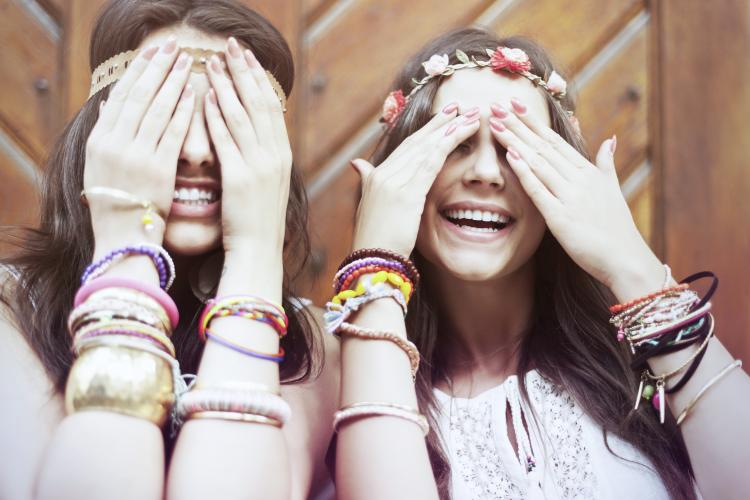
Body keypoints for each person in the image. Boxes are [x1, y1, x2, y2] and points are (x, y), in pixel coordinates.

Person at [330, 27, 750, 499]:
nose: (486, 174)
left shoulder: (643, 372)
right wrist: (373, 272)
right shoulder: (335, 376)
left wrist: (630, 264)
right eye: (455, 143)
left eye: (516, 147)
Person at [0, 1, 337, 499]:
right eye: (166, 111)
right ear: (101, 134)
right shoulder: (11, 307)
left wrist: (254, 249)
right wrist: (127, 241)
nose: (197, 150)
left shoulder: (314, 345)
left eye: (228, 118)